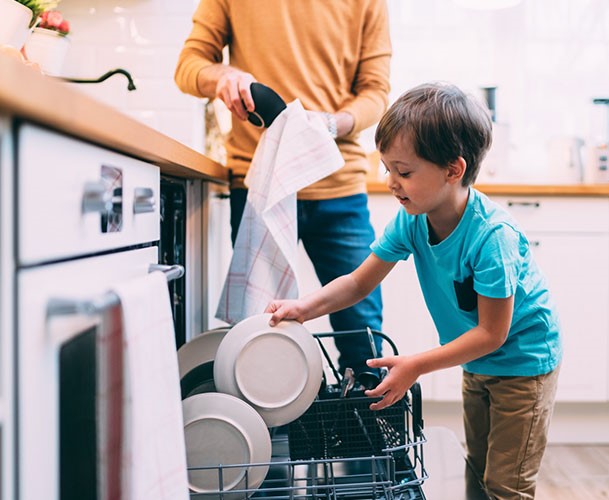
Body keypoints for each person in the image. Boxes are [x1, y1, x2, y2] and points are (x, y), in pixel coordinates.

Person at [266, 82, 562, 499]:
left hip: (523, 364)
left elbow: (493, 334)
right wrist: (303, 308)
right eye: (387, 168)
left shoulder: (491, 237)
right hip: (478, 362)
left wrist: (417, 365)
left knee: (506, 485)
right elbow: (357, 282)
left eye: (403, 172)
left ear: (453, 170)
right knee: (477, 471)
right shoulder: (413, 220)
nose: (391, 182)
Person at [174, 1, 392, 375]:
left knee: (364, 341)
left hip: (338, 186)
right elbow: (188, 66)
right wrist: (222, 76)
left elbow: (376, 92)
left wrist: (329, 124)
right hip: (261, 185)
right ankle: (265, 435)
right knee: (257, 334)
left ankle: (365, 430)